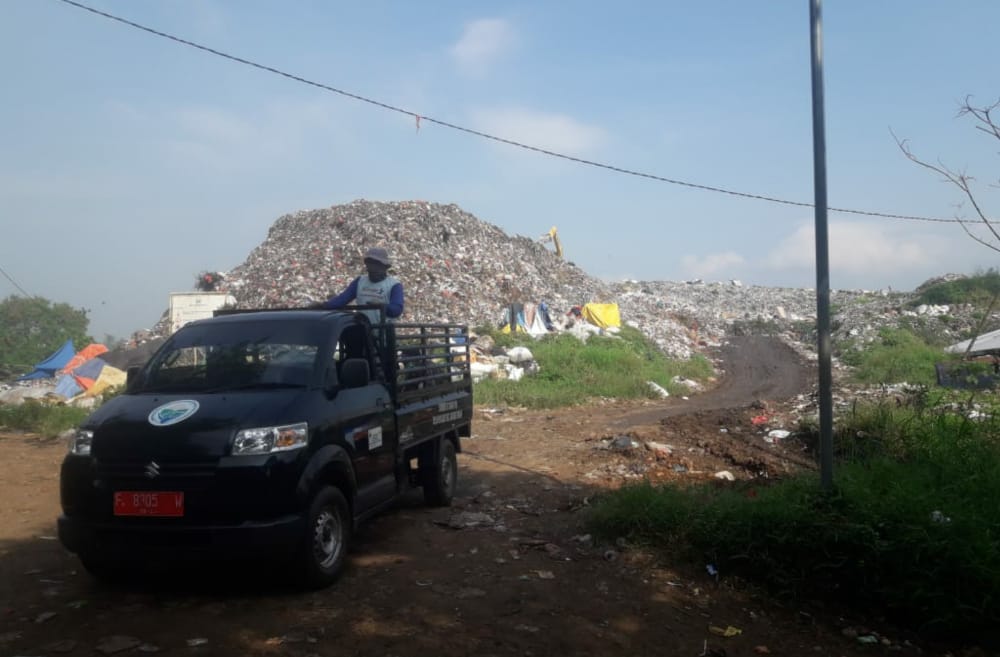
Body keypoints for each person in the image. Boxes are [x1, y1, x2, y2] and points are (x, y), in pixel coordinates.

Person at [313, 247, 404, 325]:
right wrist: (323, 305)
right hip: (363, 330)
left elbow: (396, 310)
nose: (373, 269)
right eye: (370, 265)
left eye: (377, 265)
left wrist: (382, 306)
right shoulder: (360, 281)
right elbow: (343, 299)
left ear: (385, 267)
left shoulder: (394, 285)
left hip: (383, 333)